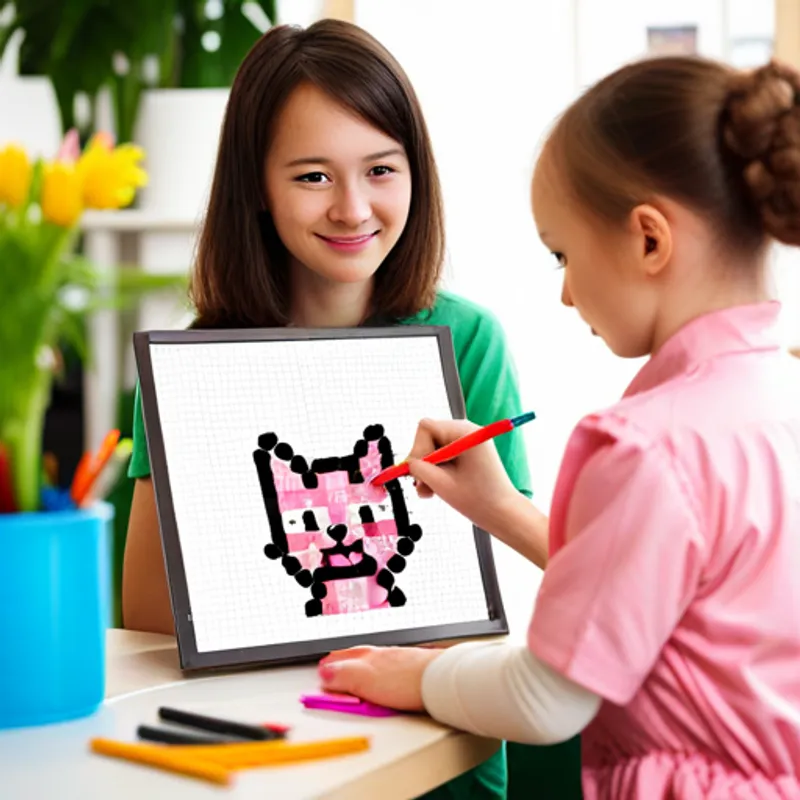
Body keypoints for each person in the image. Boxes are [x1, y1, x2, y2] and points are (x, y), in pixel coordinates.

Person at [318, 57, 800, 799]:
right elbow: (669, 591)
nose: (569, 293)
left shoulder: (647, 444)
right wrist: (502, 509)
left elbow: (546, 699)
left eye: (563, 254)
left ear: (649, 240)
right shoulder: (780, 394)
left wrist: (418, 673)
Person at [121, 18, 548, 800]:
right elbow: (150, 611)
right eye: (313, 177)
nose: (354, 209)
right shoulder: (191, 364)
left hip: (434, 751)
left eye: (381, 170)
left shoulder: (467, 339)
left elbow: (493, 599)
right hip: (253, 747)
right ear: (256, 183)